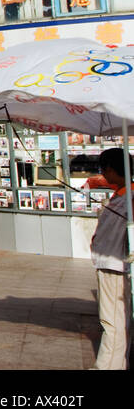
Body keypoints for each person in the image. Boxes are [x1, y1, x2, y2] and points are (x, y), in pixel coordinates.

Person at [90, 147, 132, 370]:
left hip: (115, 265)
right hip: (108, 264)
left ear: (112, 169)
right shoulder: (122, 194)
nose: (103, 174)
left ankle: (108, 367)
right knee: (116, 321)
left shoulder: (130, 197)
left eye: (104, 169)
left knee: (113, 322)